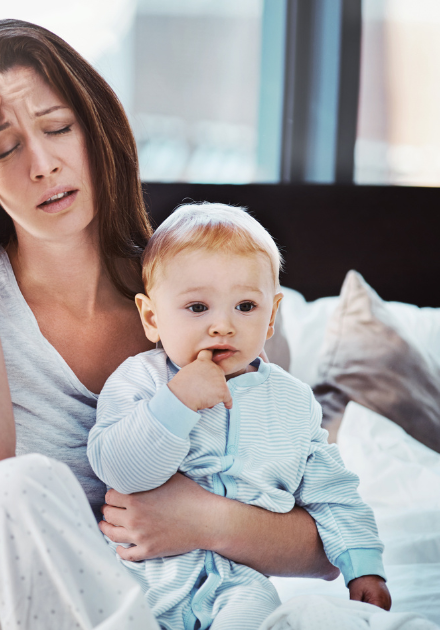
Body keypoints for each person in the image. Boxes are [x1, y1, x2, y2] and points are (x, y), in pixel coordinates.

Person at [0, 18, 339, 629]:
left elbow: (328, 541)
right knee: (15, 488)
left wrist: (200, 520)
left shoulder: (206, 305)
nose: (42, 164)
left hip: (146, 608)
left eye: (59, 128)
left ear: (96, 130)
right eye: (3, 149)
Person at [87, 203, 391, 630]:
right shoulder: (141, 381)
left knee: (260, 611)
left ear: (271, 317)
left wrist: (364, 566)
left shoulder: (293, 401)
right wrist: (177, 402)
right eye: (197, 308)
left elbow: (332, 491)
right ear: (152, 317)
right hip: (140, 575)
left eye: (245, 306)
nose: (223, 326)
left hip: (238, 581)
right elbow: (118, 469)